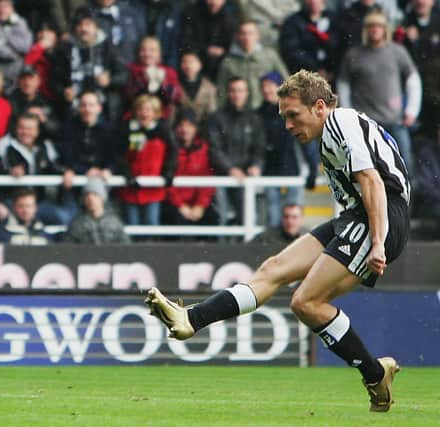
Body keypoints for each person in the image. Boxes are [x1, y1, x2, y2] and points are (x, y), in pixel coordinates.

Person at [146, 69, 411, 413]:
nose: (287, 124)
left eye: (293, 115)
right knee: (273, 269)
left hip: (380, 216)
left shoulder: (340, 122)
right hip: (357, 217)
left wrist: (378, 241)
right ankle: (192, 319)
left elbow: (372, 180)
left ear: (319, 107)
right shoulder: (334, 131)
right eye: (284, 116)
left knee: (306, 302)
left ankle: (374, 374)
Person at [337, 11, 421, 176]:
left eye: (379, 26)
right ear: (365, 30)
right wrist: (349, 114)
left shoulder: (398, 52)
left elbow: (413, 79)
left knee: (406, 168)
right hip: (365, 124)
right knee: (369, 171)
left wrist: (411, 110)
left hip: (395, 121)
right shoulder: (353, 55)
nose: (375, 30)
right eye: (371, 26)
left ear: (385, 29)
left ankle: (408, 202)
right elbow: (343, 85)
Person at [257, 71, 319, 227]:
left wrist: (313, 170)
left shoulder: (292, 113)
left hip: (292, 171)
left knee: (293, 218)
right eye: (264, 86)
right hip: (269, 172)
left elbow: (306, 140)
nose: (267, 90)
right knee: (273, 218)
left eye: (270, 86)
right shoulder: (258, 115)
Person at [207, 77, 266, 225]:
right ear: (228, 93)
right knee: (222, 219)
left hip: (246, 178)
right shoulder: (216, 118)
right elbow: (214, 148)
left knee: (248, 219)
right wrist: (230, 169)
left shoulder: (254, 118)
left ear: (247, 93)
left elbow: (259, 148)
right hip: (222, 176)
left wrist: (256, 165)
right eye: (233, 90)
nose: (237, 94)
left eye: (240, 90)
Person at [117, 94, 177, 226]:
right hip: (131, 189)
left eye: (148, 109)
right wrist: (128, 174)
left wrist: (168, 173)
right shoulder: (126, 130)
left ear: (155, 113)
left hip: (153, 189)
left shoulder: (164, 130)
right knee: (132, 225)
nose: (144, 113)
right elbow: (119, 156)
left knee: (152, 223)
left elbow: (172, 154)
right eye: (140, 109)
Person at [216, 20, 289, 109]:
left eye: (251, 33)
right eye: (243, 33)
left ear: (257, 36)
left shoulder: (270, 56)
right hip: (240, 111)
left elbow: (286, 81)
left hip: (267, 108)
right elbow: (222, 91)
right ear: (237, 36)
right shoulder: (228, 62)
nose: (247, 37)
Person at [163, 109, 217, 226]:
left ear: (195, 128)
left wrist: (200, 205)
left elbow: (207, 179)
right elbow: (167, 179)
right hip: (176, 204)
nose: (185, 130)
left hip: (198, 204)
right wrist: (180, 205)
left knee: (213, 218)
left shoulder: (204, 148)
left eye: (189, 125)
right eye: (181, 125)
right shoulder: (169, 149)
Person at [0, 0, 33, 95]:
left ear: (12, 8)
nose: (2, 10)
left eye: (6, 6)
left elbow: (26, 45)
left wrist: (6, 35)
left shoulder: (17, 20)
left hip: (18, 71)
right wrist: (16, 54)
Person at [125, 36, 182, 121]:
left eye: (152, 50)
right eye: (143, 50)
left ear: (159, 53)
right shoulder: (131, 69)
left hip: (162, 118)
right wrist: (143, 79)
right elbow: (128, 94)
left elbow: (177, 97)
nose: (147, 54)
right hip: (136, 117)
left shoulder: (169, 72)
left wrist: (164, 83)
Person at [64, 177, 130, 244]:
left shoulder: (115, 223)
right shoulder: (76, 224)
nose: (91, 199)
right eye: (87, 195)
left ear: (102, 198)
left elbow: (125, 247)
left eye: (95, 194)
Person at [178, 49, 218, 128]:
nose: (188, 66)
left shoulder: (209, 88)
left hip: (203, 130)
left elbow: (212, 114)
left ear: (199, 65)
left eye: (191, 62)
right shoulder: (176, 84)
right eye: (184, 61)